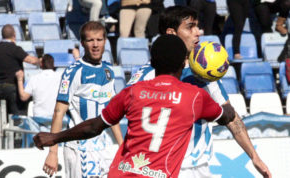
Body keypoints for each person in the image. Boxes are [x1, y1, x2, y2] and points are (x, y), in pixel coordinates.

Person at [34, 34, 235, 177]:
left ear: (153, 63)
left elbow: (94, 126)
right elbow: (227, 116)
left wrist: (55, 137)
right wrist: (212, 82)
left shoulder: (132, 92)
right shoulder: (194, 97)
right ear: (184, 64)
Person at [127, 6, 271, 178]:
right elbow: (126, 115)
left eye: (197, 26)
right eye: (190, 27)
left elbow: (231, 117)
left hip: (200, 168)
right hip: (161, 168)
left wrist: (254, 157)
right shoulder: (147, 75)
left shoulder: (204, 71)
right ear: (171, 33)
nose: (198, 32)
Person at [42, 21, 123, 178]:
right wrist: (53, 152)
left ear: (105, 41)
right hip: (79, 148)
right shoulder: (74, 72)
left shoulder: (108, 71)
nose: (95, 45)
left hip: (103, 146)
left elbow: (111, 112)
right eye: (90, 40)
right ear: (82, 43)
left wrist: (122, 146)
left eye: (99, 40)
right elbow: (59, 112)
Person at [0, 24, 39, 116]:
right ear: (14, 35)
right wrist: (40, 60)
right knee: (17, 116)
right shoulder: (14, 49)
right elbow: (31, 60)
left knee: (3, 117)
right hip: (13, 88)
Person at [15, 54, 61, 119]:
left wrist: (19, 80)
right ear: (53, 64)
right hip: (56, 116)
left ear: (41, 64)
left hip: (39, 117)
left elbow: (23, 97)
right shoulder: (60, 78)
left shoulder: (34, 79)